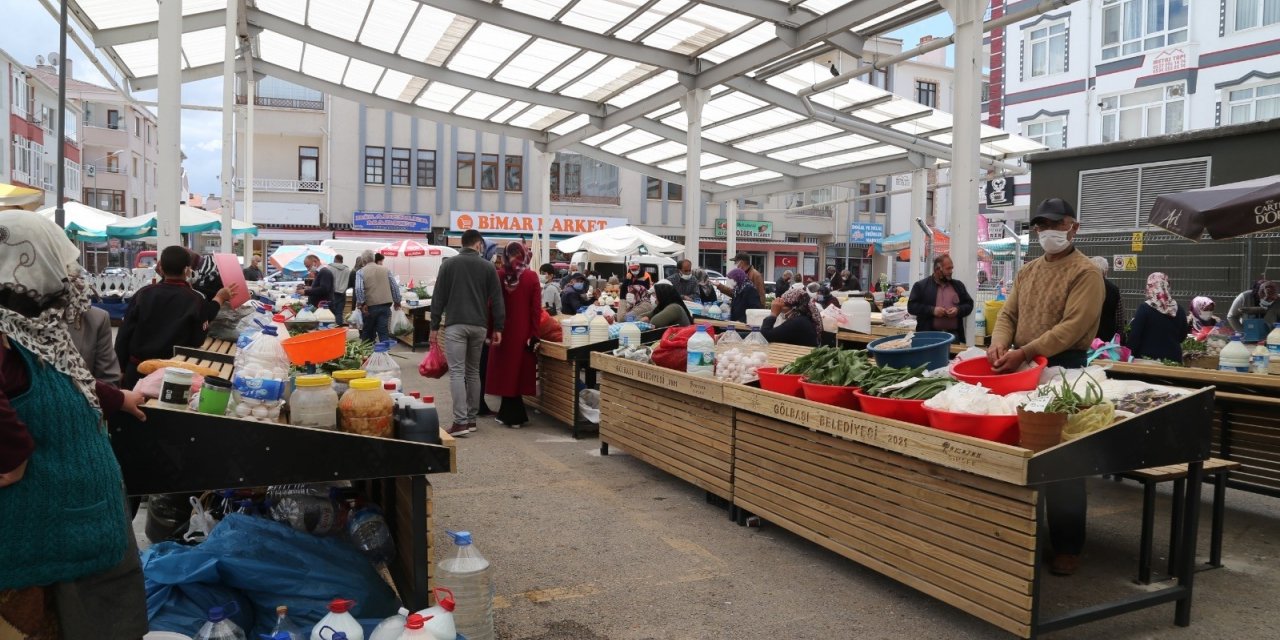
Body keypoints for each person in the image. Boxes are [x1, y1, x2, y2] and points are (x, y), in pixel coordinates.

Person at [0, 211, 149, 640]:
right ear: (26, 264)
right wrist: (12, 454)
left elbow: (63, 379)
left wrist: (120, 397)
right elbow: (9, 459)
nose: (72, 274)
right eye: (60, 261)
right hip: (42, 542)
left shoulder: (31, 327)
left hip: (81, 530)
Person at [987, 197, 1104, 577]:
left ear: (1074, 227)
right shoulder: (1028, 271)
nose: (1047, 231)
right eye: (1040, 225)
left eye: (1056, 223)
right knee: (1019, 448)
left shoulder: (1086, 272)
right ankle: (1021, 534)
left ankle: (1068, 544)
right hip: (1020, 366)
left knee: (1063, 458)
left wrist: (1027, 351)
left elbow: (1073, 326)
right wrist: (999, 342)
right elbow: (1008, 312)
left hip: (1063, 369)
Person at [116, 246, 237, 387]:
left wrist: (121, 369)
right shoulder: (196, 300)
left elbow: (123, 335)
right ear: (187, 270)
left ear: (160, 267)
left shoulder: (143, 294)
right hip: (174, 375)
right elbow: (197, 340)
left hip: (137, 372)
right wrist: (219, 299)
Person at [431, 229, 505, 437]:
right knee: (473, 372)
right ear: (479, 245)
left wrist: (434, 326)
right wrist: (498, 327)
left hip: (456, 324)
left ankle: (460, 422)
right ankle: (471, 419)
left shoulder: (448, 265)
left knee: (457, 372)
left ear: (462, 244)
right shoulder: (488, 267)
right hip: (479, 326)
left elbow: (438, 297)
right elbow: (497, 299)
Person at [487, 243, 540, 428]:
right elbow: (536, 310)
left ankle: (510, 415)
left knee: (505, 372)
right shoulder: (532, 276)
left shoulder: (500, 275)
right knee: (517, 373)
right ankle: (512, 415)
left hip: (502, 332)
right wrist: (534, 334)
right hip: (523, 332)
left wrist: (491, 329)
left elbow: (492, 304)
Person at [907, 254, 974, 344]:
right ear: (937, 269)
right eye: (948, 268)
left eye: (952, 268)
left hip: (953, 338)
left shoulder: (958, 286)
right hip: (928, 338)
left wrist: (958, 310)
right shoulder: (921, 286)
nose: (951, 271)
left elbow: (969, 304)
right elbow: (912, 307)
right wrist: (932, 310)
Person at [1128, 272, 1189, 361]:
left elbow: (1134, 336)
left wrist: (1128, 355)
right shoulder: (1178, 309)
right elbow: (1182, 336)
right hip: (1173, 360)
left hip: (1147, 361)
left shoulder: (1145, 308)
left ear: (1150, 287)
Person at [356, 253, 402, 343]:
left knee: (368, 333)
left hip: (369, 307)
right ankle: (384, 354)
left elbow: (358, 288)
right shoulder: (386, 270)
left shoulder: (360, 272)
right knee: (383, 332)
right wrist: (397, 301)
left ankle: (368, 354)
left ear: (364, 261)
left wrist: (362, 303)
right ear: (373, 259)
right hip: (385, 306)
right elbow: (394, 286)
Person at [1090, 256, 1126, 344]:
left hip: (1087, 339)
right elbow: (1119, 320)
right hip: (1107, 341)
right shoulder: (1114, 289)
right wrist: (1119, 339)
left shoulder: (1083, 287)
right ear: (1106, 271)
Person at [329, 254, 352, 325]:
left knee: (330, 311)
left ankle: (330, 327)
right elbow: (349, 282)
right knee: (339, 312)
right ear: (342, 261)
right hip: (342, 293)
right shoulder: (347, 269)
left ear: (335, 259)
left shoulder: (330, 268)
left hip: (332, 293)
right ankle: (339, 327)